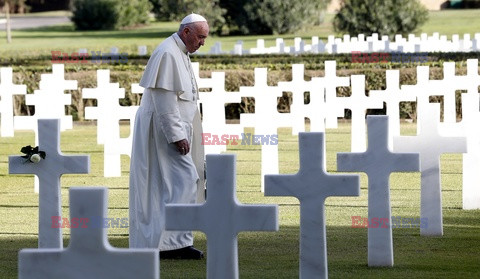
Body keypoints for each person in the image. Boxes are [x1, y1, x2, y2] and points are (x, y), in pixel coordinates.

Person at [129, 13, 208, 260]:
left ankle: (176, 242)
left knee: (176, 183)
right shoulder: (167, 52)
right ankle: (170, 244)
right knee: (184, 180)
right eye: (200, 37)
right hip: (165, 132)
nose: (202, 43)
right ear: (186, 32)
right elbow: (165, 101)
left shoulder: (179, 51)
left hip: (176, 130)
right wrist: (177, 135)